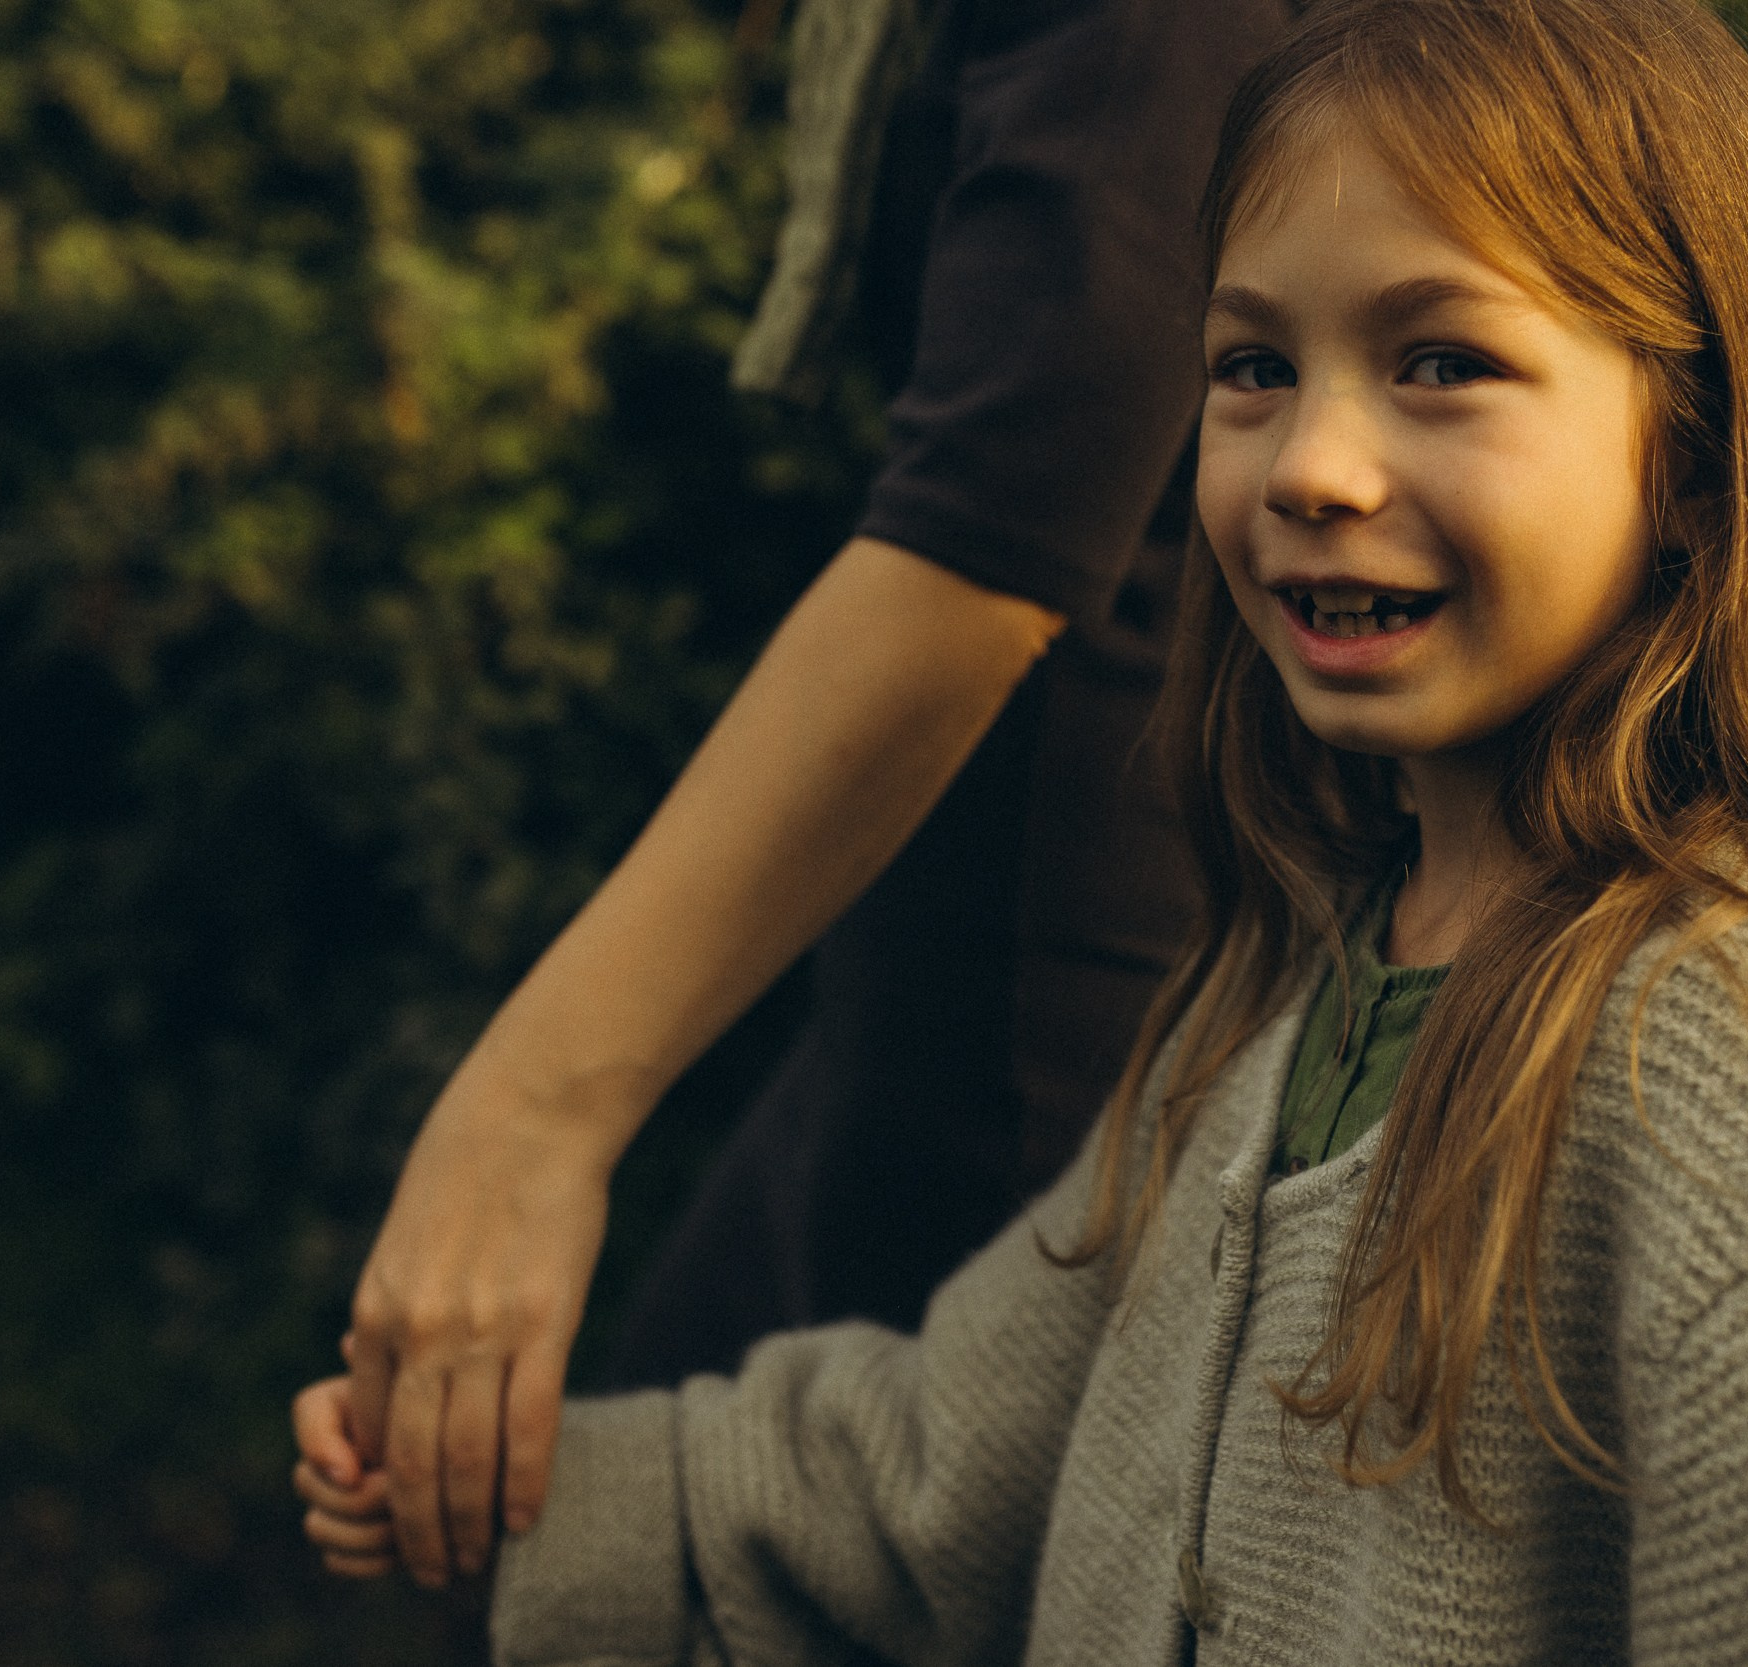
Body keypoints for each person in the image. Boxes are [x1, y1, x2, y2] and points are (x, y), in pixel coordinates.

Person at [299, 0, 1748, 1658]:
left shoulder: (1720, 1054)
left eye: (1441, 362)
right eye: (1252, 368)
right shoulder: (1269, 1003)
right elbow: (950, 1472)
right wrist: (519, 1498)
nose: (1312, 466)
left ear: (1689, 460)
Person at [304, 0, 1291, 1594]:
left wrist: (526, 1122)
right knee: (572, 1550)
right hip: (948, 956)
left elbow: (983, 555)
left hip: (1063, 1029)